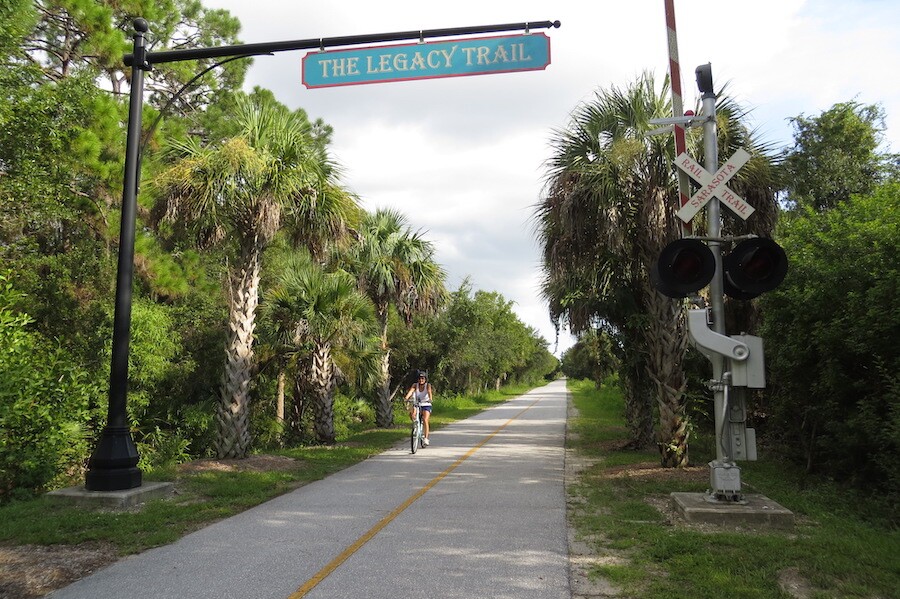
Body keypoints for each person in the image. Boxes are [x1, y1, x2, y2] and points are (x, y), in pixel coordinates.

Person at [404, 371, 433, 446]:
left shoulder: (428, 385)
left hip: (426, 404)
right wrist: (406, 398)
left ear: (425, 379)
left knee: (425, 419)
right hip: (417, 403)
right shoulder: (415, 385)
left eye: (422, 378)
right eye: (419, 378)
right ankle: (416, 426)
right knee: (412, 414)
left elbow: (429, 392)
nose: (421, 380)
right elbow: (411, 392)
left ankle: (426, 438)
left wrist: (430, 399)